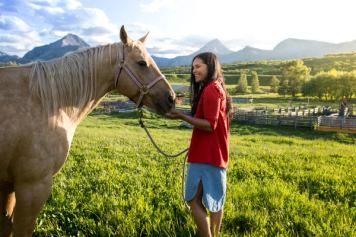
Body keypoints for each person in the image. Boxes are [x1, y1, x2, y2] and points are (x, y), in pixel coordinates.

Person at [166, 52, 231, 237]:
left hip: (205, 155)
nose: (194, 71)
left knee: (193, 201)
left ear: (210, 66)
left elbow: (210, 125)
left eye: (198, 66)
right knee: (216, 202)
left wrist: (181, 115)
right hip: (216, 155)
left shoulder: (210, 89)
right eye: (193, 67)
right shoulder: (218, 87)